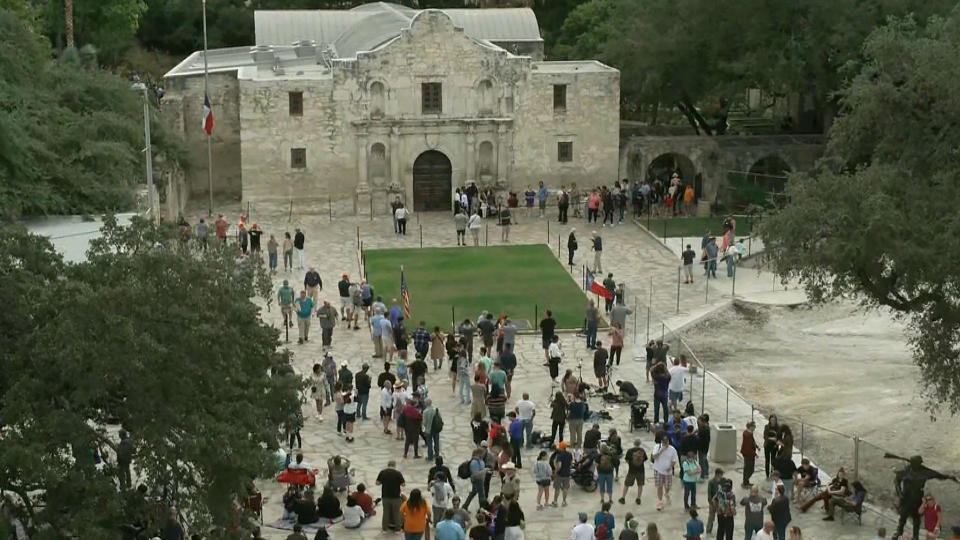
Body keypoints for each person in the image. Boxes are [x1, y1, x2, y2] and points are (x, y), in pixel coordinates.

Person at [376, 460, 406, 531]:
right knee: (397, 513)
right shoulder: (398, 473)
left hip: (385, 496)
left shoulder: (383, 472)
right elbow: (403, 484)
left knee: (385, 512)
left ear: (388, 465)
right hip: (396, 497)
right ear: (394, 465)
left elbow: (377, 483)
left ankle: (384, 528)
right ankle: (397, 529)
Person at [652, 433, 678, 511]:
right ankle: (660, 501)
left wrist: (670, 467)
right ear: (661, 441)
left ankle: (666, 493)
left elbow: (674, 460)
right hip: (658, 470)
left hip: (668, 472)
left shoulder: (672, 449)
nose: (665, 443)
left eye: (666, 442)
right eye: (664, 442)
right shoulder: (657, 447)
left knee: (667, 486)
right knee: (659, 486)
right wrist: (661, 450)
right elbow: (654, 457)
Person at [551, 441, 573, 507]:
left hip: (560, 474)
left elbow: (559, 465)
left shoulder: (559, 456)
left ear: (561, 447)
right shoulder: (569, 454)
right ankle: (564, 501)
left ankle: (555, 502)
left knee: (557, 489)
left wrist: (555, 472)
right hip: (567, 474)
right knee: (565, 488)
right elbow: (571, 463)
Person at [705, 468, 724, 535]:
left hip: (720, 502)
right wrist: (711, 502)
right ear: (717, 474)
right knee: (711, 517)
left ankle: (721, 530)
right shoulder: (711, 482)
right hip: (713, 502)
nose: (722, 476)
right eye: (721, 474)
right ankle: (708, 530)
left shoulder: (723, 481)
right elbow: (709, 493)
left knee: (721, 517)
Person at [741, 421, 759, 487]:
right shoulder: (748, 435)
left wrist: (756, 446)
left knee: (747, 468)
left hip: (746, 453)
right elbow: (749, 447)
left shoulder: (749, 433)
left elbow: (752, 442)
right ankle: (745, 482)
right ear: (751, 427)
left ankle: (746, 482)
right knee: (750, 469)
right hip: (748, 454)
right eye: (754, 426)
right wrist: (755, 454)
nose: (755, 427)